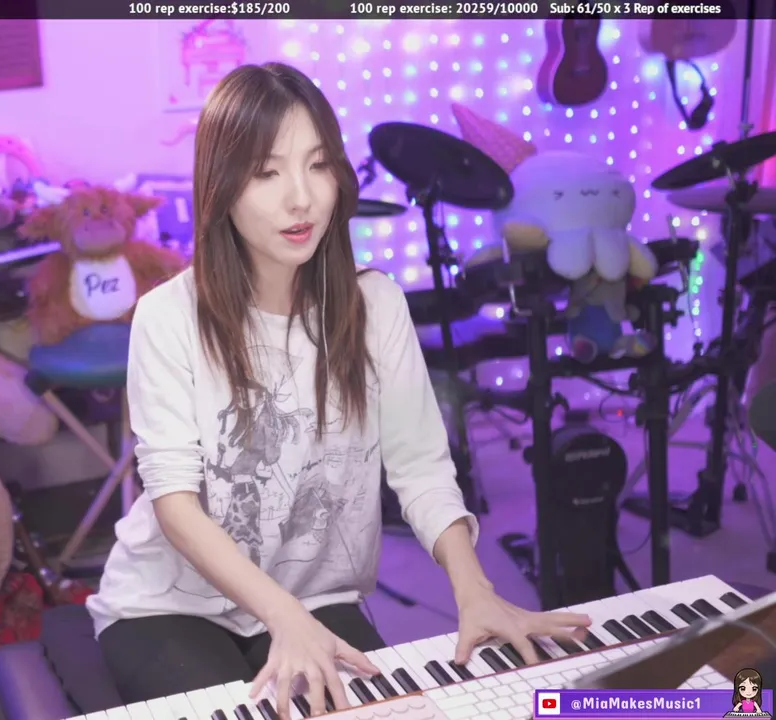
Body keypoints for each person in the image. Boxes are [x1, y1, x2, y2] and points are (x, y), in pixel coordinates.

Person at [84, 62, 592, 717]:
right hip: (168, 604)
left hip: (316, 597)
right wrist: (283, 617)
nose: (301, 198)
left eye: (318, 165)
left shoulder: (376, 306)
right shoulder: (168, 316)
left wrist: (476, 591)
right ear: (222, 186)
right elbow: (176, 505)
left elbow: (419, 465)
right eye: (267, 173)